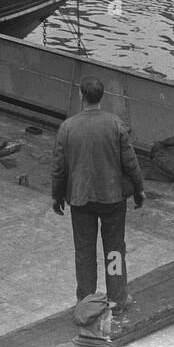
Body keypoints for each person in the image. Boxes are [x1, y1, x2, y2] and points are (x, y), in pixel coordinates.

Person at [50, 76, 146, 310]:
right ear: (101, 97)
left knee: (84, 251)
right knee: (114, 248)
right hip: (112, 198)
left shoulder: (68, 127)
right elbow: (130, 162)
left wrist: (57, 195)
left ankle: (86, 301)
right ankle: (117, 297)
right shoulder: (115, 124)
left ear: (81, 96)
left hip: (80, 199)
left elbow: (59, 167)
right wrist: (139, 189)